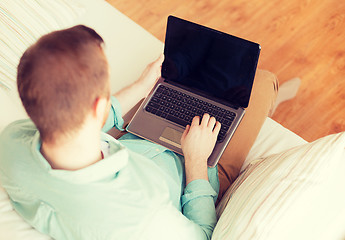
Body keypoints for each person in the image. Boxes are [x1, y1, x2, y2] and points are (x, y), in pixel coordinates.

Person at [0, 25, 278, 239]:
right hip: (197, 170)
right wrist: (196, 162)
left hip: (133, 139)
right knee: (262, 82)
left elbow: (69, 123)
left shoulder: (11, 143)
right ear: (99, 106)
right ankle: (276, 97)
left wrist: (141, 87)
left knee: (182, 69)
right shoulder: (144, 216)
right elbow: (202, 234)